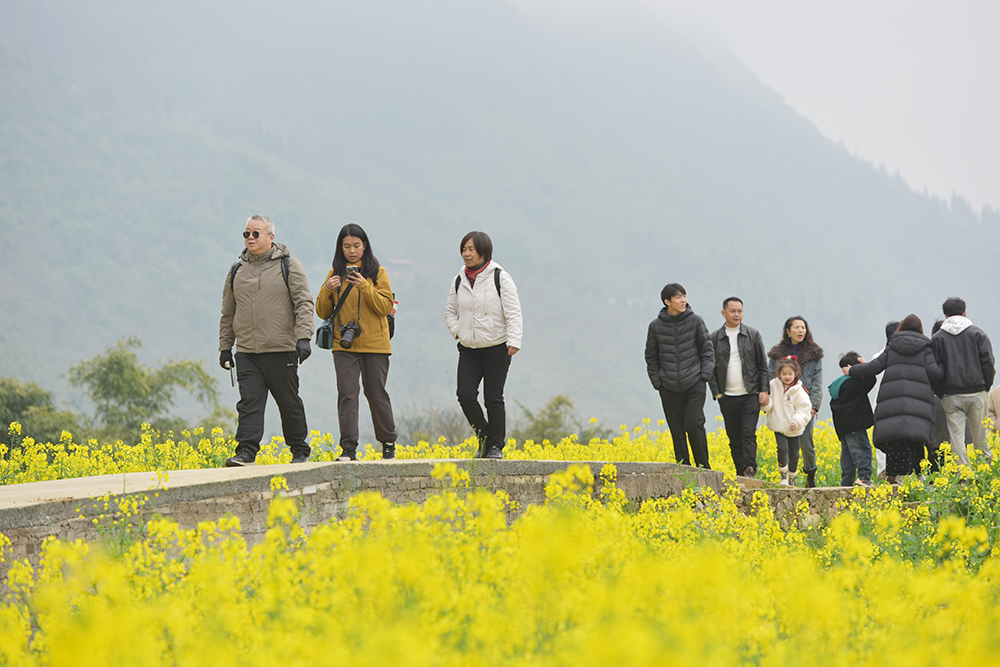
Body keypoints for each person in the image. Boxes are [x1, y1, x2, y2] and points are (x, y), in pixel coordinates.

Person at [219, 215, 314, 467]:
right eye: (246, 234)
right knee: (249, 403)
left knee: (288, 401)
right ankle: (246, 452)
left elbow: (304, 303)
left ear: (271, 237)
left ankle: (299, 449)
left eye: (256, 233)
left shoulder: (289, 265)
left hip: (281, 348)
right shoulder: (236, 270)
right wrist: (225, 347)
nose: (250, 238)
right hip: (247, 351)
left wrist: (304, 337)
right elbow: (228, 312)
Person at [316, 224, 398, 461]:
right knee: (347, 394)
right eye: (347, 246)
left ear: (365, 246)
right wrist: (326, 289)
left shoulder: (377, 272)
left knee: (376, 393)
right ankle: (348, 449)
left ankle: (388, 441)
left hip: (375, 344)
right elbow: (323, 312)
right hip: (344, 345)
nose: (352, 251)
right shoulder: (335, 273)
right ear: (340, 248)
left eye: (356, 245)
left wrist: (364, 285)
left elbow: (384, 307)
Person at [445, 231, 522, 459]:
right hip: (469, 348)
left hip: (497, 346)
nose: (466, 254)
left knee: (493, 398)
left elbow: (513, 312)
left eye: (471, 249)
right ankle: (485, 437)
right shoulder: (459, 279)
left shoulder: (500, 277)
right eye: (464, 249)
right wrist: (458, 331)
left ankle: (496, 445)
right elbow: (450, 311)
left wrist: (514, 340)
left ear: (484, 251)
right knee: (465, 395)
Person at [848, 315, 943, 483]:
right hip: (918, 403)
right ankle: (919, 478)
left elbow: (873, 367)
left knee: (896, 439)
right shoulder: (926, 348)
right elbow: (935, 373)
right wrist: (943, 366)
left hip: (893, 403)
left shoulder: (892, 346)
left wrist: (853, 370)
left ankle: (897, 479)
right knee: (915, 438)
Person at [645, 283, 714, 469]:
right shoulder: (655, 326)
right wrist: (657, 382)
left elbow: (707, 350)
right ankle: (683, 468)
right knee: (676, 430)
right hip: (668, 386)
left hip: (694, 382)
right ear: (667, 301)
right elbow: (651, 356)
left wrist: (704, 376)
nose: (683, 300)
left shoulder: (696, 321)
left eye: (684, 296)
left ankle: (704, 468)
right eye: (678, 297)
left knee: (694, 424)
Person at [708, 297, 769, 478]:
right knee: (734, 438)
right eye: (733, 311)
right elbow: (709, 367)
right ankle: (740, 473)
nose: (737, 314)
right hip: (727, 396)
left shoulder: (753, 335)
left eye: (740, 311)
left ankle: (750, 469)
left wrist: (763, 390)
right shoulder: (714, 338)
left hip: (750, 394)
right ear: (723, 313)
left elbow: (762, 365)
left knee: (749, 433)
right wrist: (717, 393)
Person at [931, 297, 996, 466]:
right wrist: (986, 386)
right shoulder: (978, 333)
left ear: (945, 315)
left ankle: (963, 476)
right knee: (981, 437)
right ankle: (986, 472)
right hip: (977, 392)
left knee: (956, 438)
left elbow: (934, 369)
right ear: (964, 312)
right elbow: (988, 362)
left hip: (951, 395)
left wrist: (941, 393)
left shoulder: (938, 338)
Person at [767, 316, 824, 487]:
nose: (800, 330)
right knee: (784, 445)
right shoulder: (777, 354)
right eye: (797, 327)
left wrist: (814, 406)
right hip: (781, 404)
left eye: (803, 327)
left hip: (802, 405)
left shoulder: (814, 354)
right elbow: (770, 376)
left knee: (806, 443)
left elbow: (817, 381)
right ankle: (787, 476)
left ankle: (810, 474)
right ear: (788, 331)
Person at [762, 357, 812, 486]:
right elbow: (770, 403)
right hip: (778, 425)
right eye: (784, 374)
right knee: (782, 448)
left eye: (790, 374)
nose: (787, 377)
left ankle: (792, 477)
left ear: (796, 374)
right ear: (778, 374)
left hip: (794, 428)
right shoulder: (773, 385)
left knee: (794, 454)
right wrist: (766, 403)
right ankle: (783, 473)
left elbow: (804, 410)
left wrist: (796, 421)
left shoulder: (799, 391)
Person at [828, 352, 876, 487]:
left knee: (848, 456)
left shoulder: (838, 385)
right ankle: (864, 477)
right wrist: (865, 364)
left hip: (843, 428)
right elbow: (871, 378)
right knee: (862, 450)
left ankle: (846, 483)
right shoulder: (854, 383)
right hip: (855, 425)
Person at [869, 320, 899, 480]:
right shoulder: (903, 357)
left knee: (881, 437)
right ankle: (897, 471)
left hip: (880, 402)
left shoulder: (877, 357)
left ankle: (884, 469)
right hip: (898, 403)